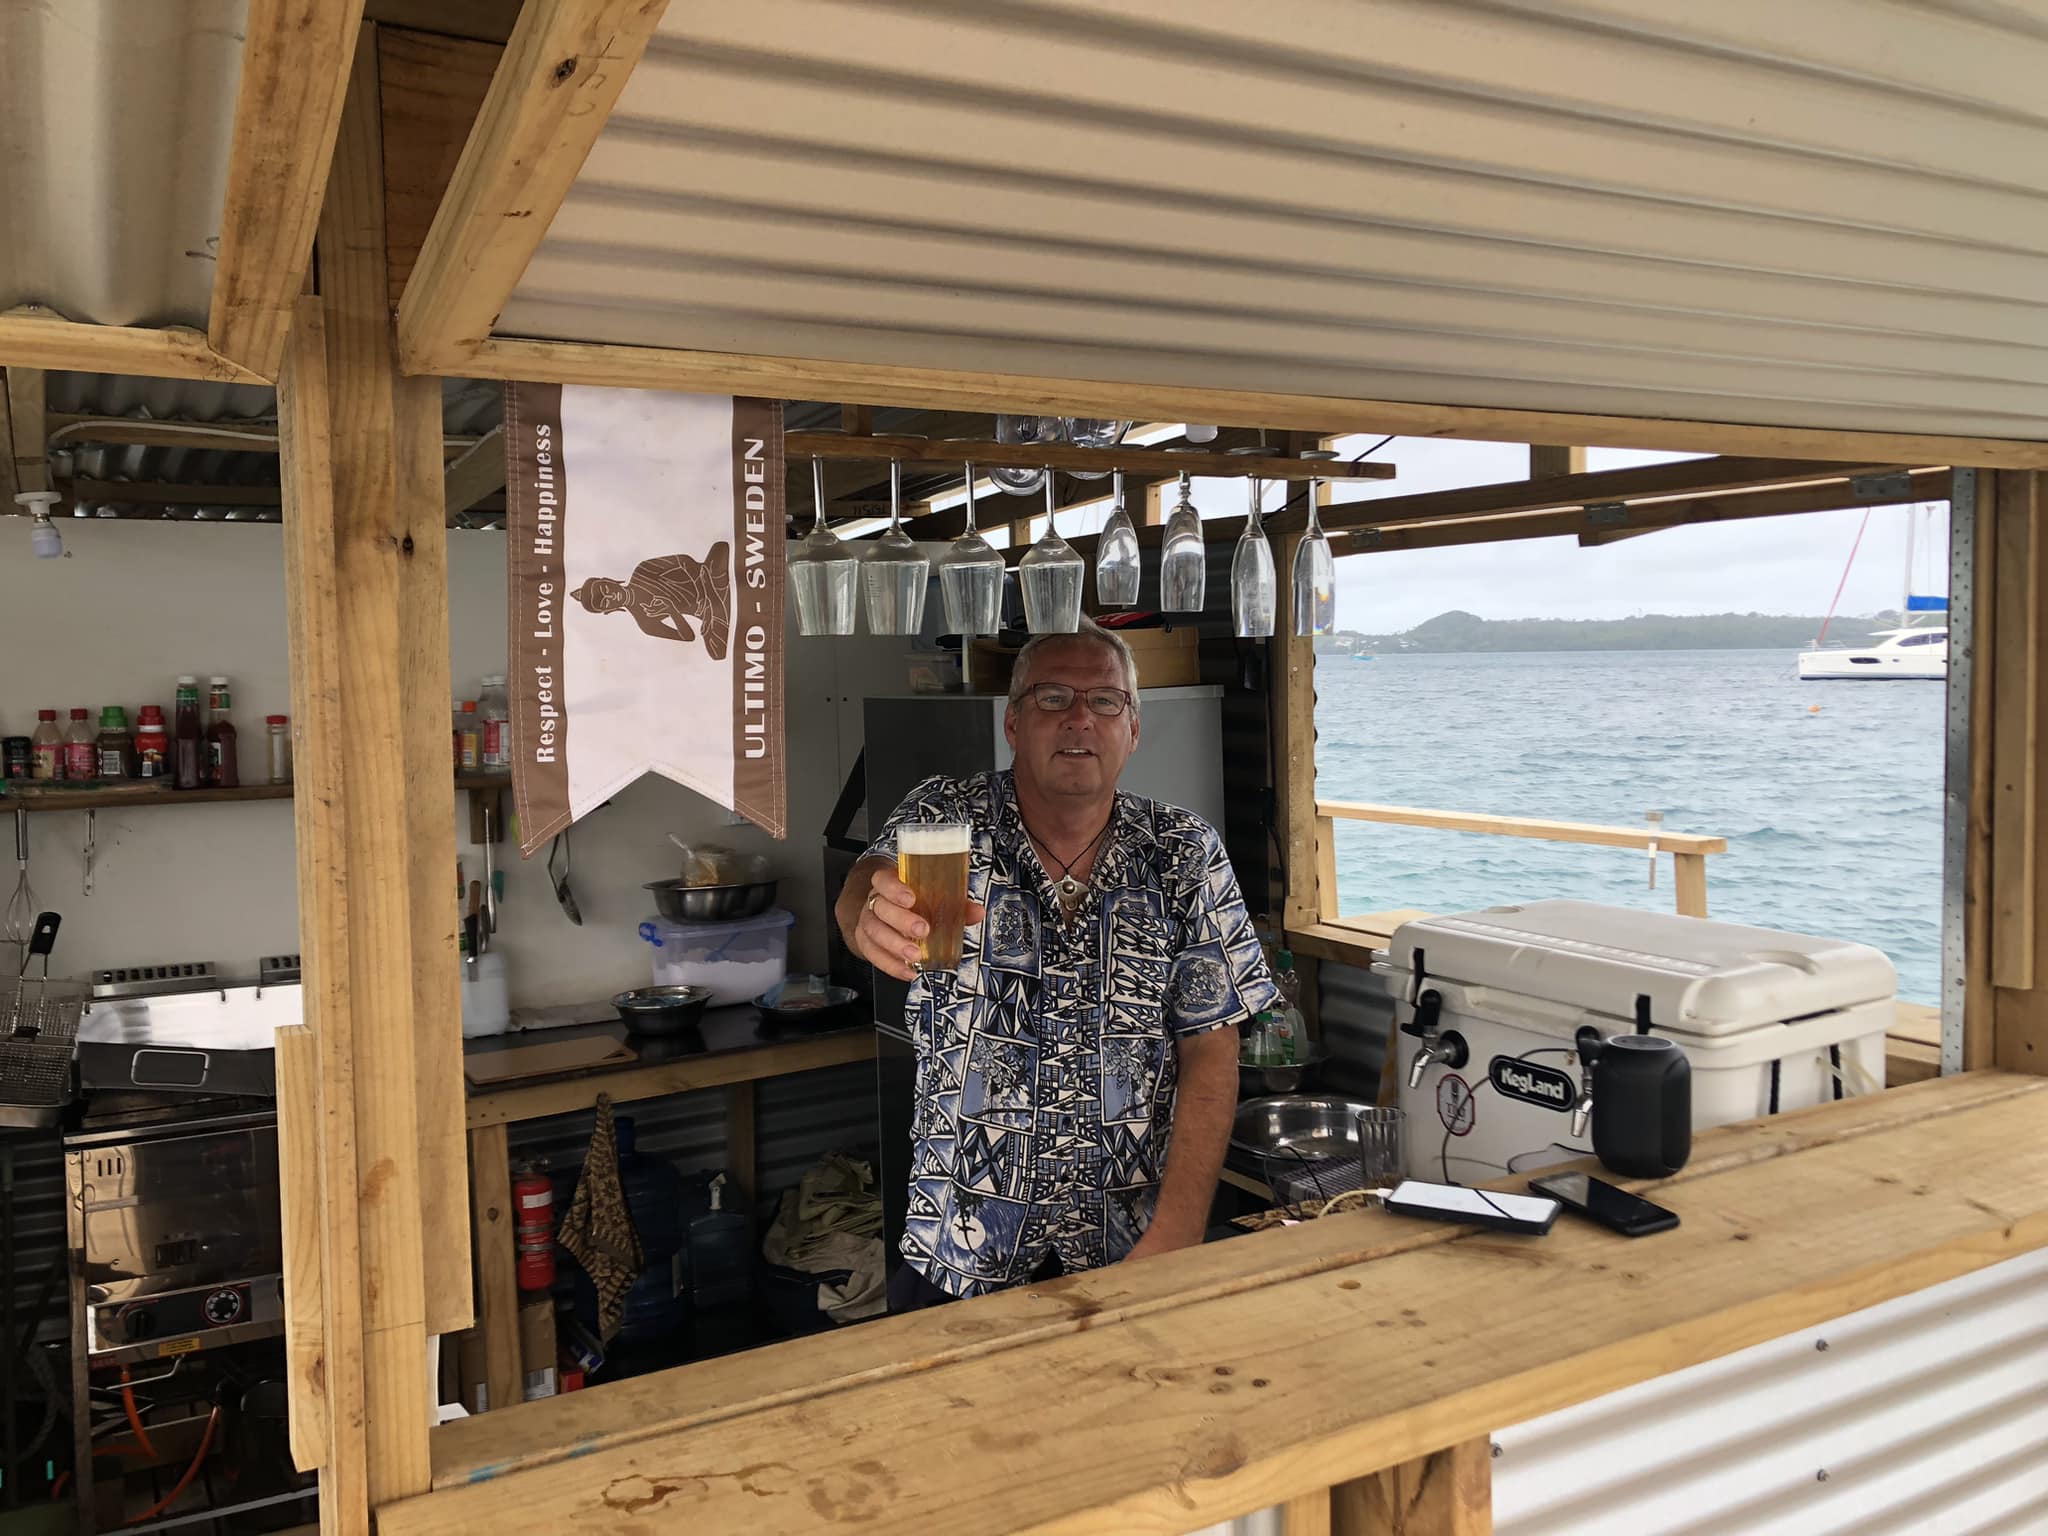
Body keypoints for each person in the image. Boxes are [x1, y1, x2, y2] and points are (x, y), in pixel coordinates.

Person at [836, 618, 1278, 1309]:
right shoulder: (948, 817)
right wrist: (867, 910)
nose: (1079, 717)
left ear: (1133, 730)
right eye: (1051, 698)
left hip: (1130, 1245)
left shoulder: (1184, 850)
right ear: (1013, 724)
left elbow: (1213, 1050)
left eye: (1106, 701)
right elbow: (868, 876)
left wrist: (1178, 1235)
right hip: (960, 1247)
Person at [570, 544, 732, 660]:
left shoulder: (642, 571)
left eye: (606, 589)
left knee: (720, 548)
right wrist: (671, 610)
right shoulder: (645, 622)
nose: (612, 596)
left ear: (608, 580)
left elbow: (684, 560)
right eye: (605, 603)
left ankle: (715, 597)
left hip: (705, 579)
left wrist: (701, 586)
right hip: (706, 610)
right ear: (608, 611)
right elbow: (688, 637)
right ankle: (716, 601)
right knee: (717, 653)